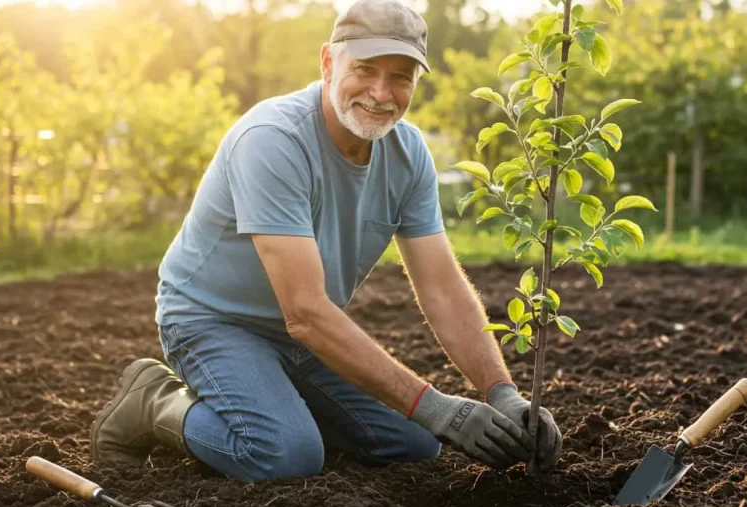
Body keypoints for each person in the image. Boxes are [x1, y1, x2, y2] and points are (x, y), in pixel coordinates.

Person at [89, 0, 562, 482]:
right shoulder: (273, 140)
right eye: (365, 69)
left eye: (401, 76)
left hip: (300, 337)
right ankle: (154, 400)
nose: (381, 93)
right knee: (285, 456)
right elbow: (306, 312)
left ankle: (276, 404)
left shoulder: (408, 153)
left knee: (415, 443)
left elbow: (442, 286)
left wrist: (502, 393)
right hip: (213, 321)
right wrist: (437, 406)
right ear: (327, 62)